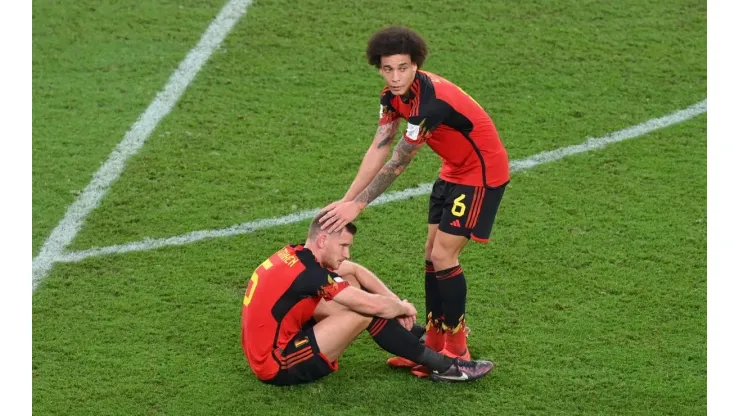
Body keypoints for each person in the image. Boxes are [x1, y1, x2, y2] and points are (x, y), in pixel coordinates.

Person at [319, 26, 509, 377]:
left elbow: (398, 161)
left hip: (481, 174)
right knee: (429, 254)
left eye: (403, 68)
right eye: (388, 69)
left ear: (416, 65)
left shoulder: (428, 103)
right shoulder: (391, 98)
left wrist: (358, 205)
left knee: (443, 256)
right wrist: (346, 200)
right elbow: (379, 148)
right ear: (379, 68)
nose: (395, 76)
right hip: (453, 170)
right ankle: (433, 346)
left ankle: (457, 348)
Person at [240, 213, 495, 385]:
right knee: (365, 311)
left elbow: (354, 270)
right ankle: (446, 367)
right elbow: (370, 305)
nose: (347, 253)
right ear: (322, 240)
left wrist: (393, 300)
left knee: (354, 288)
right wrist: (401, 307)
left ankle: (421, 336)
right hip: (276, 363)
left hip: (283, 338)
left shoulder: (297, 255)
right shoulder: (311, 275)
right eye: (343, 246)